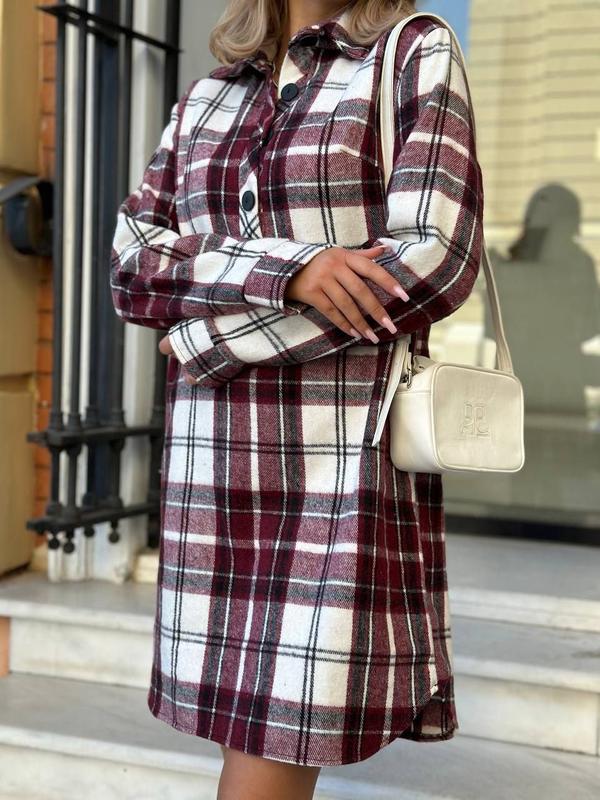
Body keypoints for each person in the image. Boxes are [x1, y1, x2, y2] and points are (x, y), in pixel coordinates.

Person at [110, 1, 483, 798]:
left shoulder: (412, 51)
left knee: (272, 744)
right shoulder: (209, 95)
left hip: (333, 464)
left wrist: (214, 339)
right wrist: (293, 271)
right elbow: (134, 268)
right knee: (245, 734)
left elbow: (433, 262)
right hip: (210, 467)